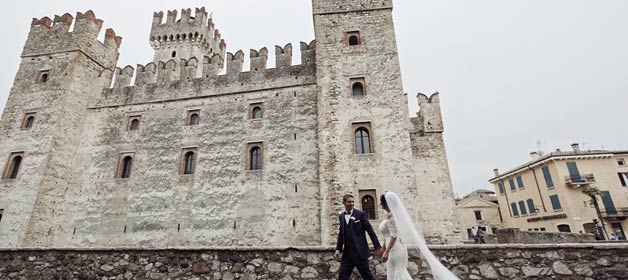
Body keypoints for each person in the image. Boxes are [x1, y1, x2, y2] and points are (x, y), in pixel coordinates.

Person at [379, 192, 459, 280]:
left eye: (381, 202)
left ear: (385, 203)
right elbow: (388, 235)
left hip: (395, 249)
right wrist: (383, 248)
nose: (380, 204)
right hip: (393, 248)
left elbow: (394, 236)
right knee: (394, 273)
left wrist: (386, 251)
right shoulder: (390, 215)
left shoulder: (391, 216)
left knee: (398, 273)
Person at [335, 194, 382, 280]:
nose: (351, 204)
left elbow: (370, 231)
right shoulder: (341, 216)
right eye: (349, 202)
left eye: (353, 202)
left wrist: (377, 247)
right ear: (344, 203)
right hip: (347, 254)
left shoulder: (361, 214)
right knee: (342, 276)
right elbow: (341, 234)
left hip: (360, 252)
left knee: (367, 276)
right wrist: (338, 249)